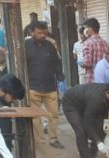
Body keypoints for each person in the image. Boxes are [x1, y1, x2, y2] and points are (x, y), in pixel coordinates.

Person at [25, 21, 65, 149]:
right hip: (33, 87)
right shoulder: (24, 45)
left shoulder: (50, 45)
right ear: (31, 32)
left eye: (45, 32)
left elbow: (57, 63)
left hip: (50, 87)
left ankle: (53, 139)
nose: (43, 35)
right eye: (39, 32)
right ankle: (40, 141)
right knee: (36, 116)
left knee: (54, 114)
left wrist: (61, 79)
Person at [81, 18, 108, 84]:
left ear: (90, 30)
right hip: (105, 79)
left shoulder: (87, 43)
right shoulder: (105, 43)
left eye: (85, 28)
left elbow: (88, 63)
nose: (84, 30)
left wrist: (81, 63)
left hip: (93, 80)